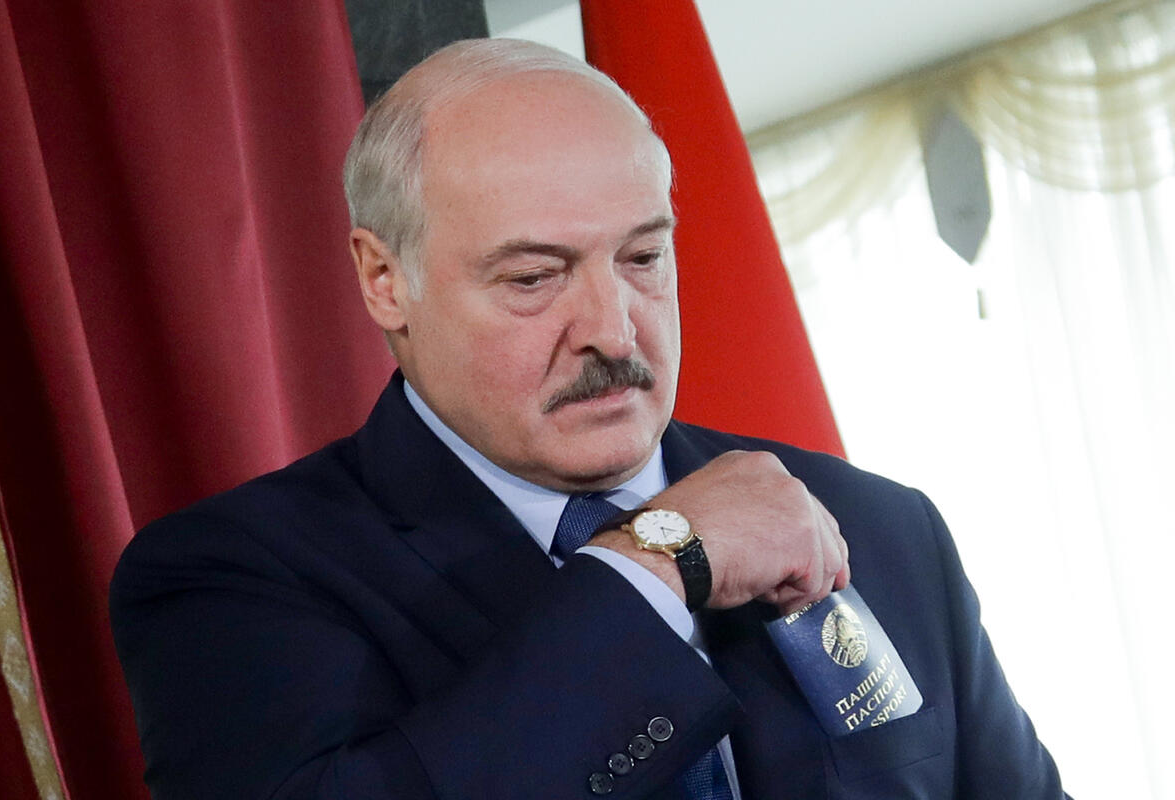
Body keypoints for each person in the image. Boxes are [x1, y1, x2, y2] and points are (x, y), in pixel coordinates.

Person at [110, 38, 1067, 799]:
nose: (613, 329)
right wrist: (663, 561)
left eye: (643, 258)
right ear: (384, 278)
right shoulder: (230, 578)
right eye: (534, 277)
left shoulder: (882, 526)